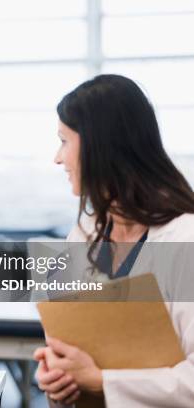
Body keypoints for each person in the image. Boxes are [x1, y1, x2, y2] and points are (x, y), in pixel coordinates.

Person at [34, 74, 194, 406]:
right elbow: (64, 347)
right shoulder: (82, 236)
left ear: (97, 145)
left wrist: (101, 380)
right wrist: (58, 376)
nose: (57, 158)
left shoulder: (184, 239)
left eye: (64, 141)